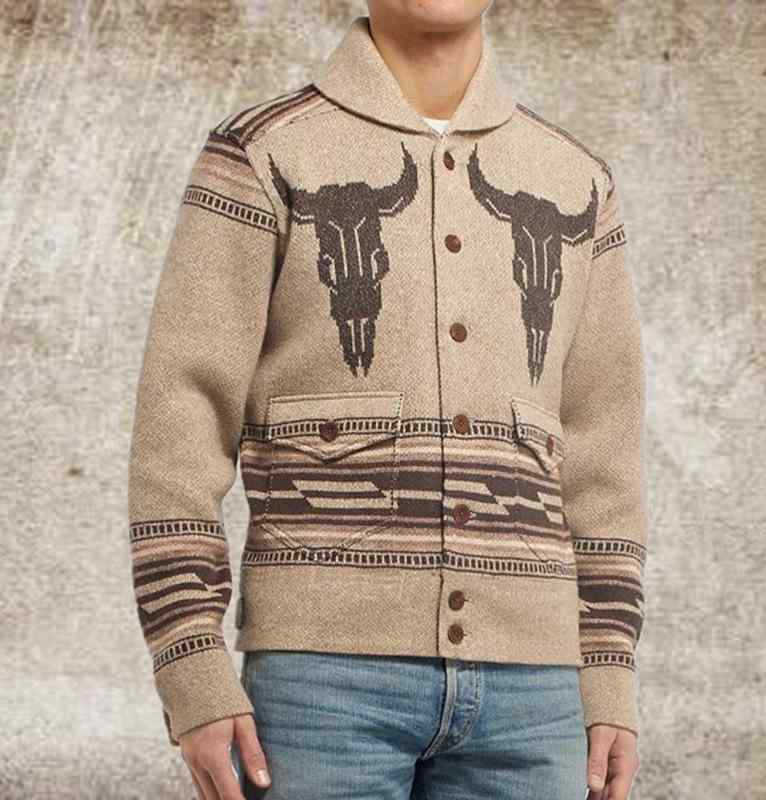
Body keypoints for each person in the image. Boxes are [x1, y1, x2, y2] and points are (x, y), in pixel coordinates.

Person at [127, 2, 648, 798]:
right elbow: (181, 418)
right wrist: (190, 661)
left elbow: (604, 450)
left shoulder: (577, 180)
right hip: (320, 684)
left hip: (539, 693)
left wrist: (608, 669)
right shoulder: (262, 154)